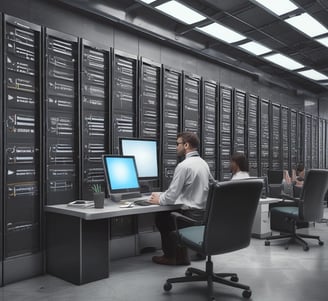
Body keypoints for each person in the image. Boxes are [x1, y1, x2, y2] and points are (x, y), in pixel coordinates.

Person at [148, 132, 213, 265]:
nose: (176, 147)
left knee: (162, 218)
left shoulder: (184, 166)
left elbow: (171, 196)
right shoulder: (203, 163)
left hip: (190, 216)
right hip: (203, 215)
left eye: (178, 144)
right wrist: (163, 195)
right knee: (168, 215)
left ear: (186, 145)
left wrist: (159, 199)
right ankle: (181, 256)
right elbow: (213, 185)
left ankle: (171, 256)